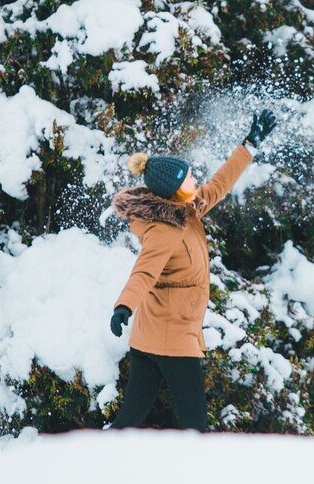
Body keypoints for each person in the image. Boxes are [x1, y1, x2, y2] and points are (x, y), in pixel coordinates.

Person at [108, 110, 277, 431]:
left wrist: (249, 146)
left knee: (128, 421)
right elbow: (143, 273)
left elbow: (219, 184)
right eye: (187, 179)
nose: (194, 180)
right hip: (172, 336)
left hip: (153, 336)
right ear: (174, 190)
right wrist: (123, 306)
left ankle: (96, 457)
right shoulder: (163, 230)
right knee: (196, 425)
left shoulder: (187, 209)